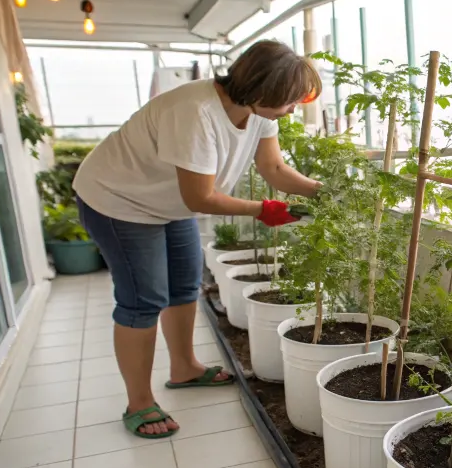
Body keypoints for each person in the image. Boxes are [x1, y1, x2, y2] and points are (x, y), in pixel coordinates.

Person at [72, 40, 323, 439]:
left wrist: (323, 191)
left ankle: (184, 367)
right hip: (119, 200)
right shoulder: (195, 111)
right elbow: (200, 198)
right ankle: (139, 402)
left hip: (167, 202)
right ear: (261, 90)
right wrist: (263, 209)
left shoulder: (259, 112)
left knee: (185, 285)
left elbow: (273, 167)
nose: (293, 109)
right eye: (290, 100)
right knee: (143, 300)